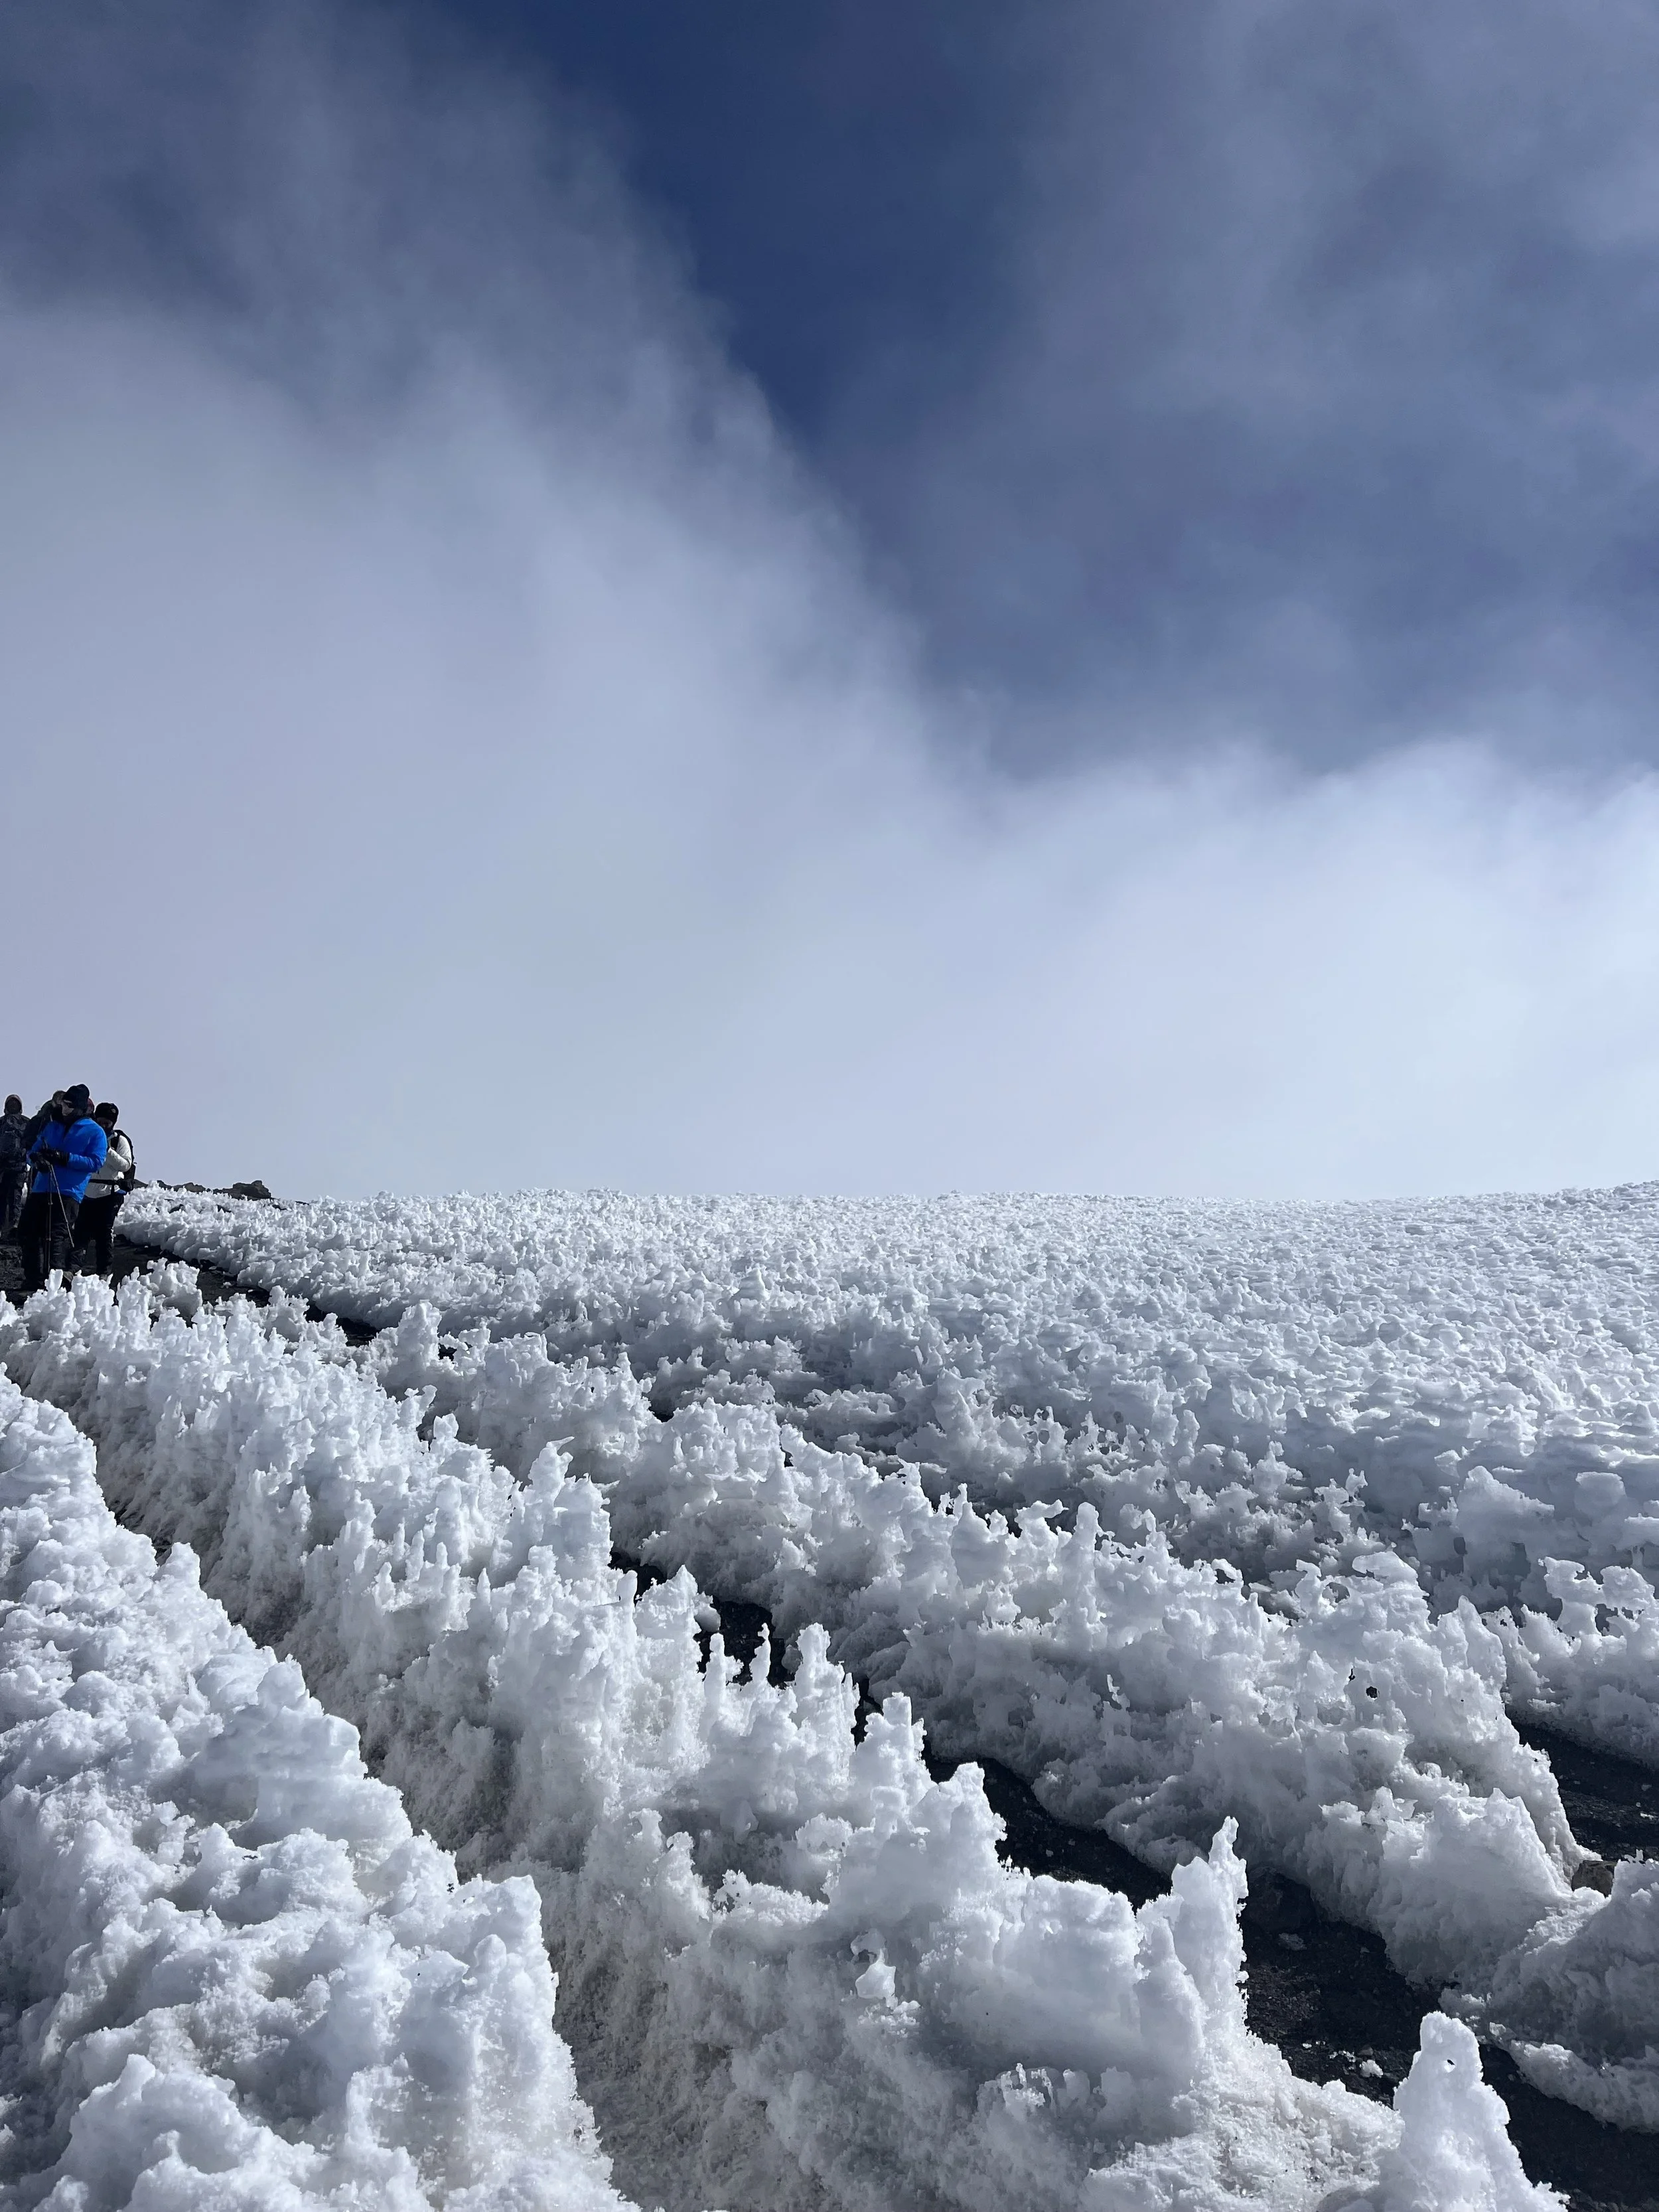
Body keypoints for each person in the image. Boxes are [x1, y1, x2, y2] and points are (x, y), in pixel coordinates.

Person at [19, 1085, 108, 1293]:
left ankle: (55, 1283)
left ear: (80, 1108)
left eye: (69, 1106)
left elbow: (96, 1162)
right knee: (27, 1231)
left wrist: (66, 1158)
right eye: (63, 1105)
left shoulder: (95, 1131)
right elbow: (33, 1150)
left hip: (68, 1191)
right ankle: (33, 1278)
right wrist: (36, 1159)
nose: (65, 1109)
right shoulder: (53, 1126)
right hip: (42, 1187)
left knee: (56, 1236)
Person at [76, 1103, 135, 1277]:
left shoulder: (119, 1141)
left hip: (111, 1192)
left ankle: (104, 1271)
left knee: (104, 1232)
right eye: (100, 1122)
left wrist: (107, 1150)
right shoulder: (88, 1137)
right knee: (81, 1232)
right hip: (87, 1191)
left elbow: (125, 1165)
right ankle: (73, 1268)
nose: (103, 1126)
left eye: (107, 1124)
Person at [0, 1096, 29, 1240]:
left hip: (18, 1168)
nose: (13, 1105)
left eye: (15, 1103)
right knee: (3, 1199)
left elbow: (31, 1142)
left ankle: (13, 1230)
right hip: (3, 1169)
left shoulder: (26, 1123)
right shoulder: (2, 1122)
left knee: (15, 1200)